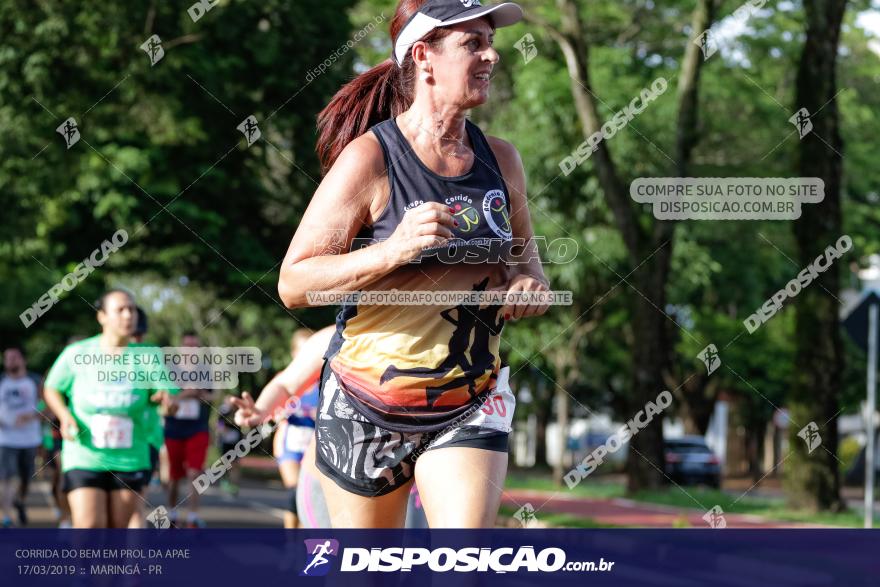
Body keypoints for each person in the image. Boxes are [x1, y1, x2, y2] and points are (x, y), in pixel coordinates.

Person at [275, 0, 551, 528]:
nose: (492, 55)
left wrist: (528, 285)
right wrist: (394, 249)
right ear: (424, 56)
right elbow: (293, 283)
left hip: (468, 399)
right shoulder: (371, 158)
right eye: (473, 43)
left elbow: (528, 264)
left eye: (490, 42)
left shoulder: (502, 159)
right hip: (366, 403)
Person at [42, 289, 180, 528]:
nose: (129, 315)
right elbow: (51, 388)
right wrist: (64, 416)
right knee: (89, 527)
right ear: (102, 316)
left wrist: (168, 404)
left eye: (132, 309)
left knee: (117, 529)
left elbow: (169, 398)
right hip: (84, 453)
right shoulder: (78, 353)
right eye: (120, 310)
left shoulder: (149, 356)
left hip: (130, 458)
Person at [233, 326, 335, 528]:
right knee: (295, 493)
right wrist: (261, 410)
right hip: (291, 444)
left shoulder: (327, 379)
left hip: (315, 445)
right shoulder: (291, 378)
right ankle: (291, 543)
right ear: (294, 353)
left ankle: (305, 543)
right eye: (302, 349)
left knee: (310, 501)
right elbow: (280, 392)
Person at [163, 331, 213, 528]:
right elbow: (165, 400)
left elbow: (213, 396)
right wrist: (186, 394)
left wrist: (200, 395)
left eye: (194, 347)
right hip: (174, 427)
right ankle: (172, 510)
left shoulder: (205, 370)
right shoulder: (170, 370)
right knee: (174, 476)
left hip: (198, 427)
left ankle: (192, 516)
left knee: (195, 472)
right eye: (188, 346)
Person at [0, 346, 43, 528]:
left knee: (26, 478)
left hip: (29, 438)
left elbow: (48, 405)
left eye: (15, 357)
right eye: (8, 358)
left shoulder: (34, 381)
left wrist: (32, 416)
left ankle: (21, 500)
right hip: (5, 439)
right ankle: (6, 515)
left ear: (23, 360)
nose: (11, 361)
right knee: (5, 477)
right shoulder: (1, 381)